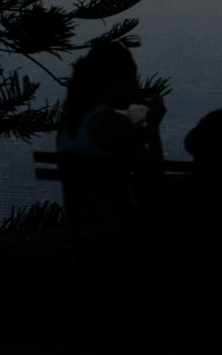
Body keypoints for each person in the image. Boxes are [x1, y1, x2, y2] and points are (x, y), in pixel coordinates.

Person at [56, 40, 165, 240]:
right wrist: (152, 128)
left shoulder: (69, 122)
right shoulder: (110, 124)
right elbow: (154, 181)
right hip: (122, 234)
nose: (136, 86)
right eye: (133, 78)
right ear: (118, 79)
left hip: (84, 235)